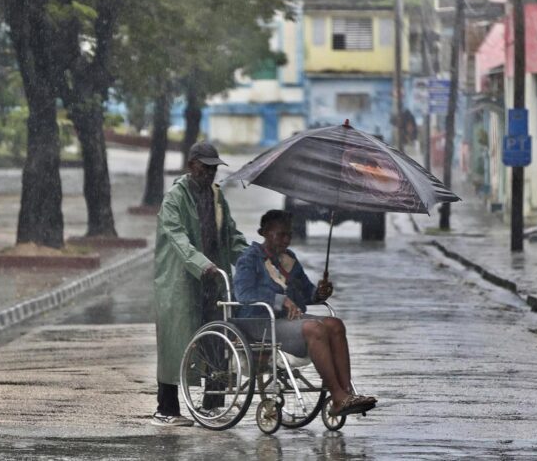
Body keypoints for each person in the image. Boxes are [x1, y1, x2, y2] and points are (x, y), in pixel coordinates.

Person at [233, 210, 377, 417]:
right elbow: (244, 293)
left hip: (286, 322)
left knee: (335, 325)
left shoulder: (289, 259)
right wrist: (281, 300)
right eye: (280, 235)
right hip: (258, 322)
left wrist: (319, 293)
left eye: (289, 235)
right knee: (314, 329)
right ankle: (338, 397)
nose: (286, 240)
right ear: (263, 232)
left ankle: (347, 393)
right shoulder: (249, 259)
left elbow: (306, 292)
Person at [152, 142, 248, 427]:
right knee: (175, 345)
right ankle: (166, 409)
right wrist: (201, 263)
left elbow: (230, 235)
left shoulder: (216, 197)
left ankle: (213, 405)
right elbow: (177, 237)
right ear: (191, 165)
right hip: (181, 283)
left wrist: (253, 259)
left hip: (213, 281)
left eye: (213, 169)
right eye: (205, 168)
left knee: (217, 339)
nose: (210, 174)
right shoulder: (175, 198)